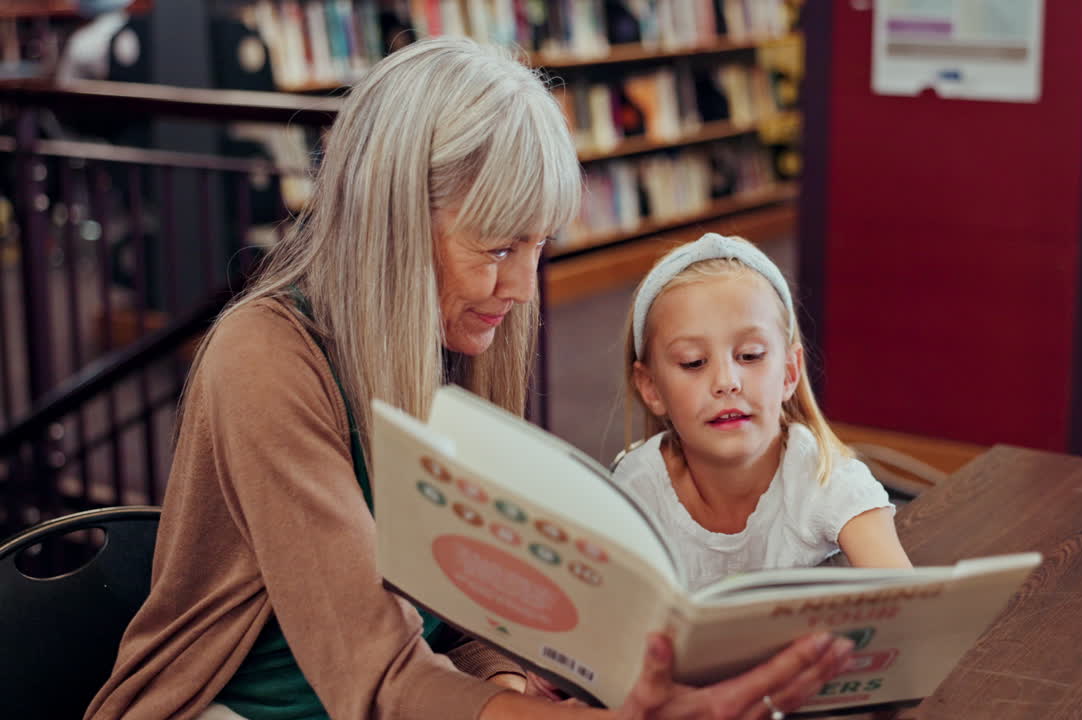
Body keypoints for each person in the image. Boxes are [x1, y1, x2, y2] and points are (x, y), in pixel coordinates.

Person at [85, 39, 857, 720]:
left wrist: (510, 677)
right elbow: (375, 677)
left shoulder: (454, 330)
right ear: (393, 225)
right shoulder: (265, 360)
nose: (523, 287)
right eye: (496, 249)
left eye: (536, 247)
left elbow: (464, 602)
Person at [615, 233, 912, 592]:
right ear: (651, 388)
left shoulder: (827, 479)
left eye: (750, 356)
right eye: (693, 362)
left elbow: (902, 600)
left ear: (789, 373)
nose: (726, 382)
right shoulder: (635, 488)